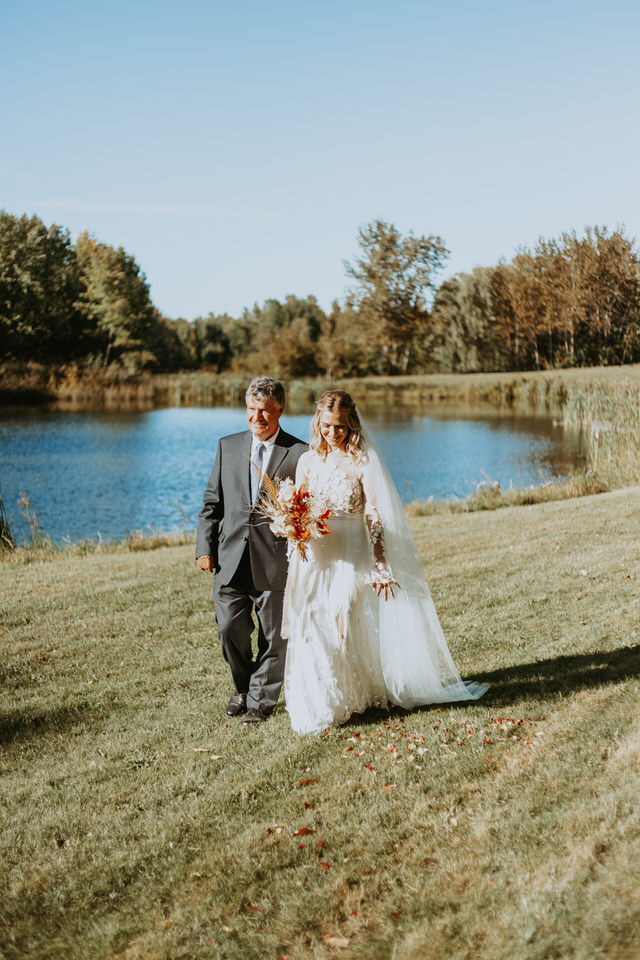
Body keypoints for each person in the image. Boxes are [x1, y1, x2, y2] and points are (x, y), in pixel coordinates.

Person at [283, 390, 487, 734]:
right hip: (316, 553)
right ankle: (323, 702)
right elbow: (299, 506)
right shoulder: (307, 461)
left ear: (352, 425)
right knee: (314, 623)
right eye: (328, 426)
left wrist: (380, 563)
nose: (334, 433)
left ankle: (354, 690)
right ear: (318, 421)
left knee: (344, 613)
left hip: (352, 551)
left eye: (341, 428)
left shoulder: (361, 459)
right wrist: (292, 526)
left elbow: (374, 514)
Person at [196, 377, 307, 725]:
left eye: (265, 411)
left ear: (280, 410)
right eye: (251, 410)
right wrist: (205, 547)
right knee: (229, 628)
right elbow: (211, 504)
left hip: (276, 561)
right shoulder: (227, 446)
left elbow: (308, 509)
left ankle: (260, 703)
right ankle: (242, 688)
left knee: (275, 638)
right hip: (230, 559)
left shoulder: (300, 453)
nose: (257, 417)